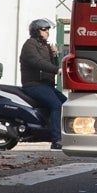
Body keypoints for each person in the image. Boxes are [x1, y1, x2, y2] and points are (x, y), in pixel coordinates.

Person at [20, 18, 67, 150]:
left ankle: (62, 134)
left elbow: (52, 65)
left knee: (66, 103)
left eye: (47, 30)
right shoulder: (30, 44)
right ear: (36, 31)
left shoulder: (45, 46)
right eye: (44, 29)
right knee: (56, 105)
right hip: (34, 84)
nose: (47, 32)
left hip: (46, 85)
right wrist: (57, 70)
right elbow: (37, 62)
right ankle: (57, 140)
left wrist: (54, 54)